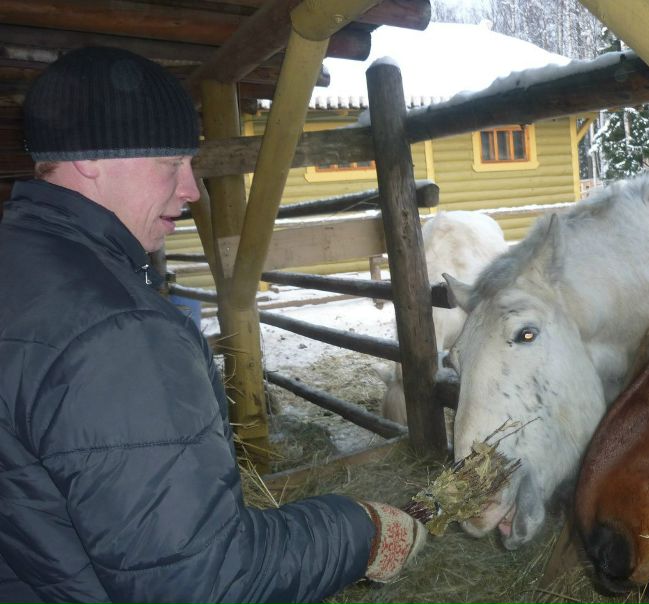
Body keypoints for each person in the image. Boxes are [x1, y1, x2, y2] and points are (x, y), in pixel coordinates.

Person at [0, 46, 425, 604]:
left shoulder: (16, 262)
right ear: (91, 158)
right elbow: (201, 582)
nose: (191, 189)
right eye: (171, 164)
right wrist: (361, 532)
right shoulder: (117, 333)